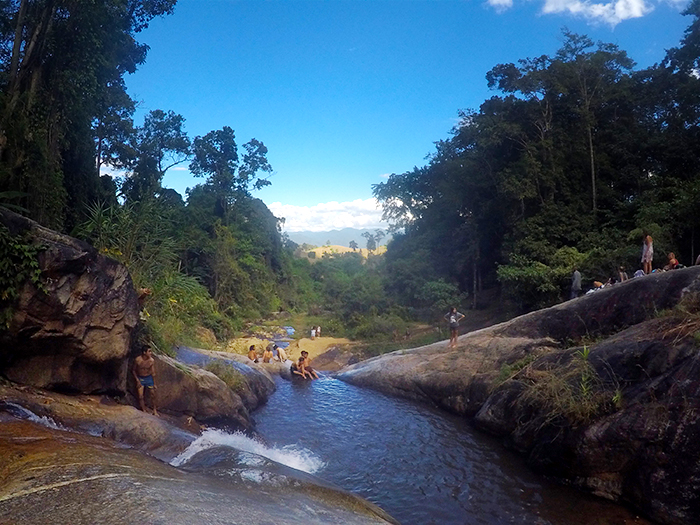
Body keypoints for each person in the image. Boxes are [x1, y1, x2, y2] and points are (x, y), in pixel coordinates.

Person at [133, 346, 158, 416]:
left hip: (149, 378)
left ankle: (154, 410)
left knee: (153, 394)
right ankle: (143, 410)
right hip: (141, 378)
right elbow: (133, 370)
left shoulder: (151, 361)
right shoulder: (138, 360)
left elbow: (153, 373)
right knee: (140, 396)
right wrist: (137, 380)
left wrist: (154, 383)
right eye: (149, 351)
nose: (151, 353)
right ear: (144, 352)